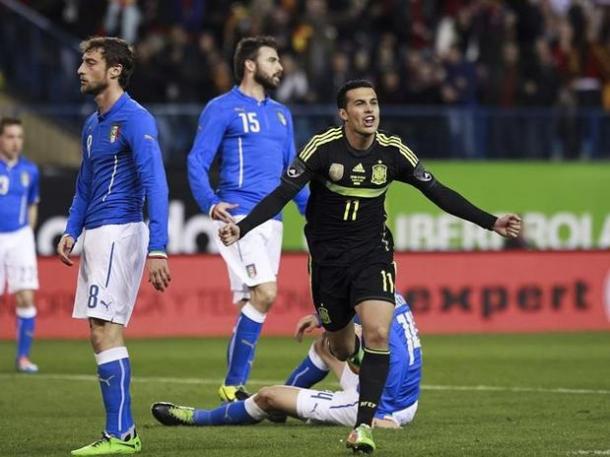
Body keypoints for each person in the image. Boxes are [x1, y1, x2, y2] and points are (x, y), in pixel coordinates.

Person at [218, 79, 522, 453]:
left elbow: (438, 191)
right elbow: (283, 193)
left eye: (374, 103)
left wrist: (491, 222)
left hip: (372, 255)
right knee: (342, 347)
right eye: (360, 104)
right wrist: (242, 227)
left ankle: (363, 428)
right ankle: (355, 353)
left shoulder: (393, 151)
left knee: (378, 332)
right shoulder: (322, 148)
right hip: (328, 264)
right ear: (343, 114)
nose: (369, 110)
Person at [56, 36, 171, 456]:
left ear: (115, 70)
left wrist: (158, 246)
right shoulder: (92, 125)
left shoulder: (136, 119)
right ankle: (121, 432)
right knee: (99, 330)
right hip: (98, 234)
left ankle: (122, 435)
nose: (80, 70)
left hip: (121, 229)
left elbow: (155, 182)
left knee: (106, 330)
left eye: (89, 62)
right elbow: (84, 186)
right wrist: (72, 229)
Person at [187, 35, 309, 402]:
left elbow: (293, 170)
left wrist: (311, 213)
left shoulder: (281, 114)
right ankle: (233, 385)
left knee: (252, 303)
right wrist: (209, 202)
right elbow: (196, 161)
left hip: (272, 219)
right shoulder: (222, 108)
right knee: (266, 294)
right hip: (239, 216)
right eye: (273, 60)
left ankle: (232, 386)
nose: (280, 67)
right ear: (250, 65)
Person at [151, 292, 421, 431]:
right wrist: (320, 317)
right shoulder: (384, 291)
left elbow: (378, 360)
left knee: (266, 396)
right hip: (404, 397)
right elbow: (358, 317)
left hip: (378, 406)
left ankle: (198, 418)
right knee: (324, 346)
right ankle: (283, 409)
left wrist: (381, 417)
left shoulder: (378, 333)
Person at [0, 117, 40, 373]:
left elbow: (32, 204)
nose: (16, 142)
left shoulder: (30, 170)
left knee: (26, 296)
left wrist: (28, 234)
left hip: (21, 236)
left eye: (19, 137)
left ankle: (23, 357)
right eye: (10, 137)